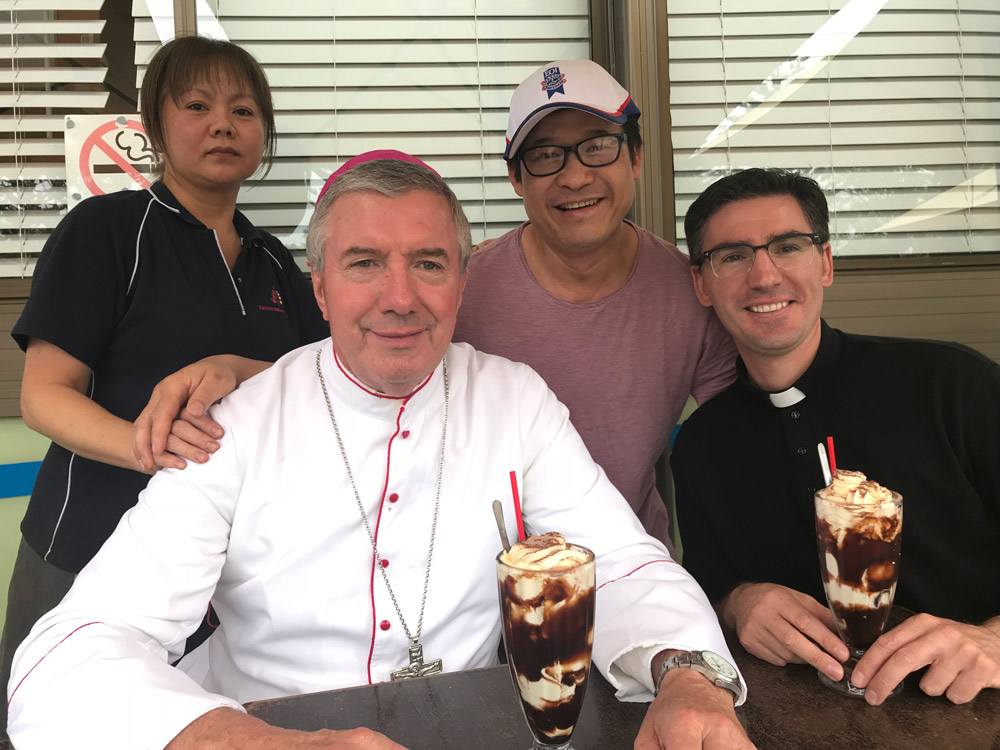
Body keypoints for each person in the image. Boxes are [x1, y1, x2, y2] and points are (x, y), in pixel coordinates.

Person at [8, 158, 753, 750]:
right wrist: (247, 743)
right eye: (365, 263)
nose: (401, 297)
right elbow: (68, 654)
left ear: (461, 282)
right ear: (321, 287)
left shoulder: (515, 399)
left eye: (430, 263)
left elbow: (621, 561)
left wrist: (686, 672)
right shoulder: (239, 421)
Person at [0, 34, 328, 731]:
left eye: (243, 110)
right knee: (59, 725)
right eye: (198, 105)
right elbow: (44, 395)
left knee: (201, 729)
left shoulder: (274, 262)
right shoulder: (107, 231)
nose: (222, 124)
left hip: (226, 568)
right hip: (86, 542)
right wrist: (149, 446)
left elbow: (315, 385)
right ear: (154, 128)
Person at [670, 167, 1000, 706]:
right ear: (701, 285)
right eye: (731, 256)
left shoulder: (952, 385)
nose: (765, 276)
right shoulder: (704, 444)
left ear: (825, 263)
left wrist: (992, 639)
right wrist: (739, 603)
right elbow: (709, 586)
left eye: (788, 246)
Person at [451, 59, 737, 549]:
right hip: (486, 577)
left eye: (598, 147)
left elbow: (740, 439)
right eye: (545, 155)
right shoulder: (460, 292)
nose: (576, 177)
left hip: (631, 567)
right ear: (517, 178)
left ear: (636, 158)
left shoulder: (690, 290)